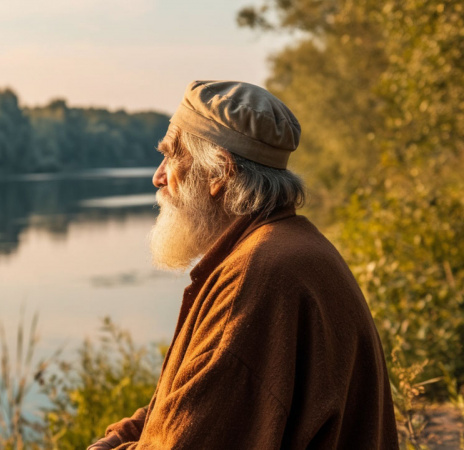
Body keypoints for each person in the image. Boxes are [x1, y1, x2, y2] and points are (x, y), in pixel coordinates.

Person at [88, 81, 398, 449]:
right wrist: (120, 439)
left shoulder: (259, 276)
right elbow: (186, 406)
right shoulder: (288, 248)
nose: (158, 177)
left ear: (220, 173)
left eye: (172, 156)